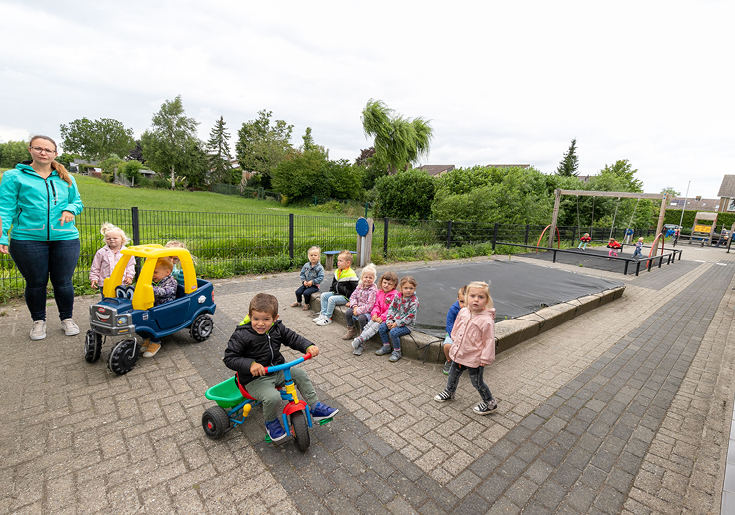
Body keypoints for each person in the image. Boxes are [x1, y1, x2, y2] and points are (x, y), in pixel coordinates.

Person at [0, 135, 84, 341]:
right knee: (36, 283)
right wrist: (2, 235)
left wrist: (70, 210)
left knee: (63, 282)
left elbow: (78, 202)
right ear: (30, 150)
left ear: (55, 154)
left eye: (48, 150)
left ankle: (67, 318)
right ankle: (38, 321)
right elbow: (5, 208)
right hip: (27, 239)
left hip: (65, 238)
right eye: (38, 148)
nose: (43, 152)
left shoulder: (67, 178)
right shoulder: (14, 177)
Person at [223, 293, 338, 442]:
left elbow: (293, 338)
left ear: (275, 318)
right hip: (254, 379)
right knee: (273, 397)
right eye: (256, 319)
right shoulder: (242, 334)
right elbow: (229, 358)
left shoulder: (277, 328)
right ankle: (270, 422)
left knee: (300, 374)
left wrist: (308, 346)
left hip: (276, 370)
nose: (260, 323)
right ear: (249, 316)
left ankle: (315, 407)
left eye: (266, 319)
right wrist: (250, 364)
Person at [434, 281, 499, 416]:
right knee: (453, 374)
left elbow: (488, 340)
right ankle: (450, 391)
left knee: (477, 382)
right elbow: (456, 327)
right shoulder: (463, 312)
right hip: (459, 353)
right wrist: (454, 339)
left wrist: (485, 358)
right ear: (466, 297)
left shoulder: (486, 321)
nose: (476, 299)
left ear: (487, 300)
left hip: (474, 358)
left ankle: (490, 403)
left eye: (481, 297)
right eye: (472, 295)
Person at [352, 271, 398, 356]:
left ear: (394, 286)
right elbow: (376, 305)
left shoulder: (395, 295)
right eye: (384, 283)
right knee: (368, 326)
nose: (386, 285)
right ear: (381, 282)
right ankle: (360, 344)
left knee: (374, 327)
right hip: (378, 316)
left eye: (389, 284)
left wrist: (383, 317)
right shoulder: (379, 292)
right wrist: (374, 314)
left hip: (387, 318)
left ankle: (360, 340)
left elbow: (391, 309)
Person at [140, 257, 177, 357]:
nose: (152, 275)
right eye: (151, 272)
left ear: (167, 272)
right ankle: (146, 337)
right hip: (153, 306)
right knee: (138, 320)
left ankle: (155, 342)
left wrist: (151, 289)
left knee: (151, 322)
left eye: (155, 272)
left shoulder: (171, 282)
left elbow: (165, 292)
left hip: (165, 308)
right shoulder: (154, 280)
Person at [375, 276, 419, 363]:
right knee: (382, 327)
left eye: (411, 288)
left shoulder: (414, 302)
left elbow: (409, 317)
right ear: (400, 288)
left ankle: (397, 352)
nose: (408, 290)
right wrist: (389, 321)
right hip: (394, 321)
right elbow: (391, 309)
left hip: (406, 325)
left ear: (414, 289)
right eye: (405, 288)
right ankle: (386, 346)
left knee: (393, 332)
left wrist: (397, 324)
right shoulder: (397, 297)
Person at [314, 250, 358, 326]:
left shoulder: (351, 274)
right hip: (336, 293)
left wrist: (351, 301)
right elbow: (333, 284)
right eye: (338, 260)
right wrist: (331, 292)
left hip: (345, 297)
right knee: (324, 295)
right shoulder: (337, 271)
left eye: (341, 261)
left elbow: (356, 290)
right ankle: (323, 315)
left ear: (348, 263)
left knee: (331, 299)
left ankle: (328, 318)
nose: (338, 262)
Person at [90, 222, 135, 293]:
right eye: (108, 238)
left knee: (120, 300)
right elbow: (95, 267)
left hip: (121, 282)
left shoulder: (127, 252)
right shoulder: (101, 252)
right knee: (106, 300)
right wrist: (94, 278)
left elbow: (130, 266)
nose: (111, 240)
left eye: (115, 238)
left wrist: (129, 277)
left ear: (122, 240)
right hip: (105, 283)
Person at [342, 264, 378, 340]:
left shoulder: (373, 290)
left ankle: (363, 336)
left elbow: (370, 306)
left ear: (374, 279)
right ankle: (351, 331)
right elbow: (353, 297)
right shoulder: (359, 287)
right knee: (348, 313)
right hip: (357, 308)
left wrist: (358, 311)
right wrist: (355, 306)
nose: (368, 279)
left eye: (370, 278)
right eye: (366, 277)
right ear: (362, 277)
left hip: (367, 312)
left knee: (362, 318)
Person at [442, 285, 467, 375]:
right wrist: (454, 336)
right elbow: (449, 325)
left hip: (466, 334)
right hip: (453, 333)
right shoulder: (453, 309)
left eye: (467, 303)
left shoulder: (473, 311)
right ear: (457, 299)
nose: (464, 305)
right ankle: (449, 361)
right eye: (462, 302)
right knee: (447, 346)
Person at [293, 246, 324, 310]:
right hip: (306, 284)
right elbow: (302, 274)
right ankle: (299, 302)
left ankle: (307, 304)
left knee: (306, 293)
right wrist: (304, 281)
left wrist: (312, 282)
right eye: (311, 255)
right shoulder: (306, 265)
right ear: (308, 257)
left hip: (314, 286)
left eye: (315, 255)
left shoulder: (320, 267)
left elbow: (321, 277)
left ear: (318, 257)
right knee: (298, 292)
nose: (313, 257)